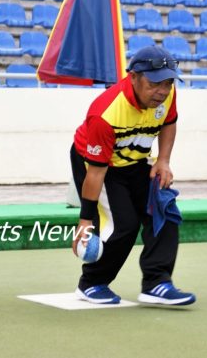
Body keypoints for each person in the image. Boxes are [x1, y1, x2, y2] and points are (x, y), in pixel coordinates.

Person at [70, 45, 196, 306]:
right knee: (123, 224)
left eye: (168, 83)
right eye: (154, 83)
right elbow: (95, 173)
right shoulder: (105, 114)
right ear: (134, 77)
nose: (162, 91)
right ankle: (91, 283)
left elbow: (169, 122)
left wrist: (163, 160)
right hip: (98, 166)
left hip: (135, 160)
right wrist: (85, 220)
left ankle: (156, 283)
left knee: (163, 210)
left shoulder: (166, 96)